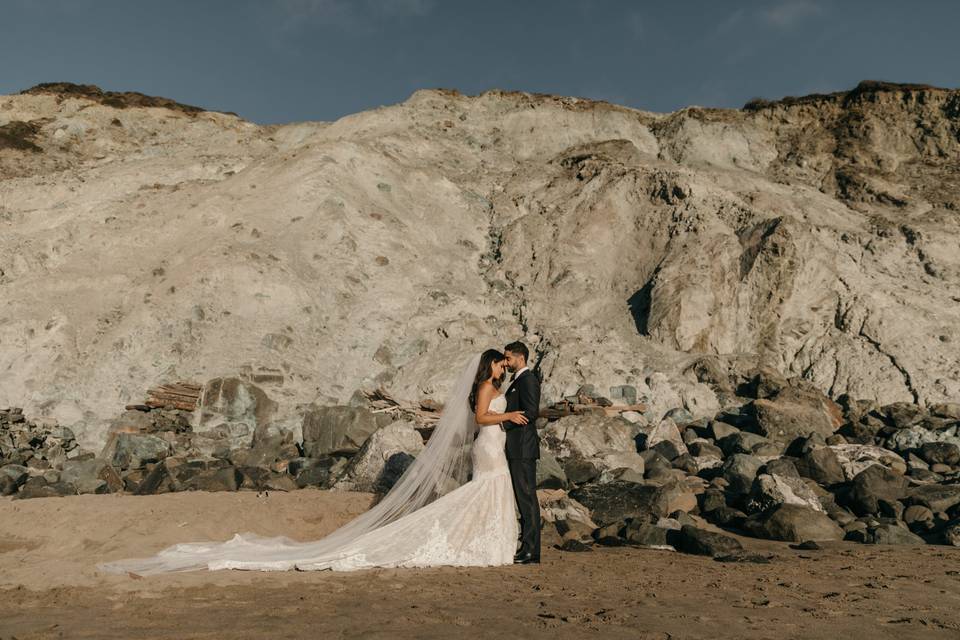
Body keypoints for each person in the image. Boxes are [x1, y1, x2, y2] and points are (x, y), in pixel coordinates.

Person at [95, 349, 530, 574]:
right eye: (497, 362)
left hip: (492, 443)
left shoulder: (497, 382)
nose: (500, 367)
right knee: (485, 488)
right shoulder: (486, 390)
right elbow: (478, 417)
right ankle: (484, 544)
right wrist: (507, 415)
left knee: (487, 490)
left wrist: (507, 406)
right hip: (489, 440)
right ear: (489, 365)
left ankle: (491, 542)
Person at [501, 341, 542, 564]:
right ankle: (526, 547)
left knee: (527, 499)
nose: (506, 363)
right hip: (516, 448)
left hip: (523, 448)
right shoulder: (518, 380)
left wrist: (503, 424)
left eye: (509, 359)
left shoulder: (529, 380)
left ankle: (531, 551)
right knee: (522, 498)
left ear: (521, 358)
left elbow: (531, 411)